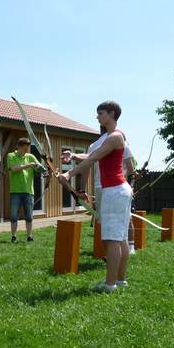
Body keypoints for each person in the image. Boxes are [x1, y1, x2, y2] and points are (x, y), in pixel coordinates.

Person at [60, 101, 131, 292]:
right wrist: (73, 155)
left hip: (114, 191)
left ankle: (110, 284)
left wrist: (68, 174)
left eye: (101, 113)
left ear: (112, 114)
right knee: (121, 238)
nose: (97, 117)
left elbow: (92, 158)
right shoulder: (109, 138)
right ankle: (120, 280)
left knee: (112, 240)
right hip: (117, 190)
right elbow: (92, 155)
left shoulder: (115, 137)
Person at [63, 128, 137, 254]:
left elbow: (89, 160)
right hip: (116, 187)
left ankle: (111, 250)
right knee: (124, 218)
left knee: (104, 220)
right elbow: (131, 169)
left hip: (106, 187)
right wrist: (129, 184)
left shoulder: (98, 144)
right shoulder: (120, 140)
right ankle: (127, 248)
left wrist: (82, 188)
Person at [6, 137, 40, 242]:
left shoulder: (30, 156)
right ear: (18, 147)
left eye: (27, 149)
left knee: (29, 216)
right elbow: (13, 169)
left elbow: (39, 168)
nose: (26, 151)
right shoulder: (11, 155)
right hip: (15, 191)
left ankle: (29, 236)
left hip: (29, 191)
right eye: (24, 149)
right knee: (14, 216)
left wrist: (45, 170)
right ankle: (13, 236)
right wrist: (29, 165)